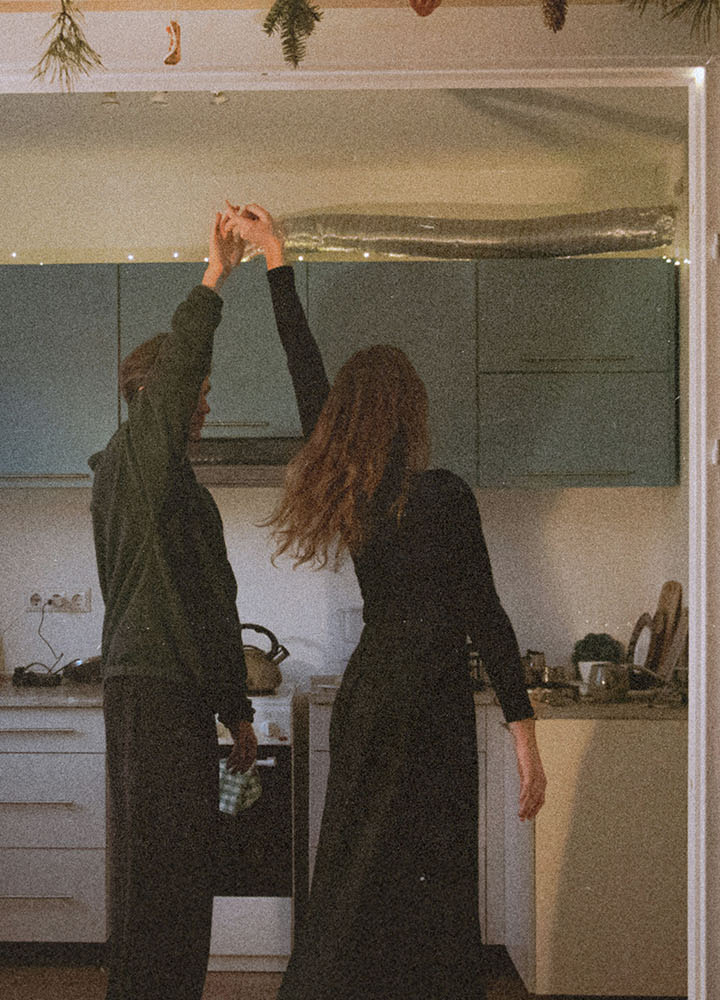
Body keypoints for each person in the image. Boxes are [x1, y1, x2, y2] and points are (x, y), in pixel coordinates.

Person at [226, 204, 548, 1000]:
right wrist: (525, 738)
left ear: (348, 419)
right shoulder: (445, 496)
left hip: (372, 695)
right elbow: (487, 617)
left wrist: (276, 260)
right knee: (432, 884)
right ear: (412, 411)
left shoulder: (360, 497)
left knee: (354, 871)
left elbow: (305, 370)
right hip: (430, 703)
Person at [89, 207, 320, 1000]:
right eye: (199, 394)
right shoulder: (132, 463)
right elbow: (185, 359)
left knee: (183, 878)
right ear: (164, 396)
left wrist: (238, 712)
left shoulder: (184, 496)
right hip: (149, 694)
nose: (207, 407)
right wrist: (217, 272)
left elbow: (215, 609)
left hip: (181, 698)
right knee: (157, 882)